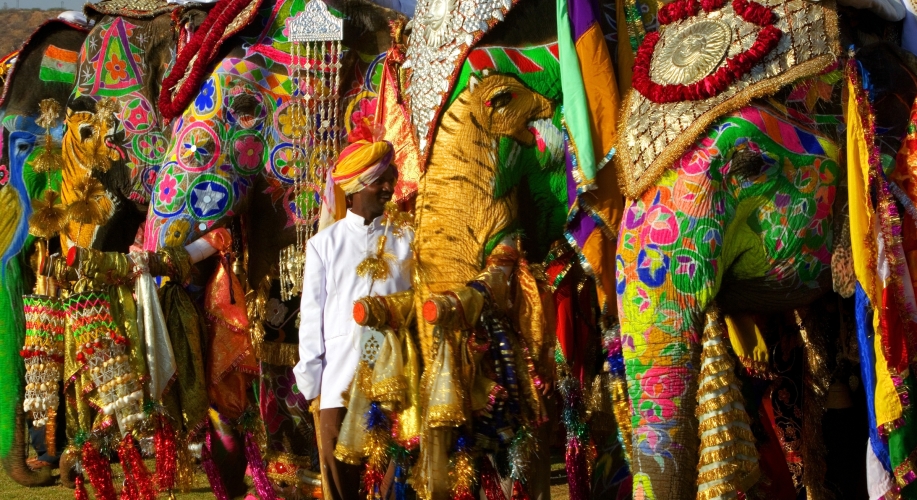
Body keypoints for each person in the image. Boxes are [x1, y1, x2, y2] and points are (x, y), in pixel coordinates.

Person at [293, 134, 412, 500]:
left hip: (398, 384)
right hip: (339, 384)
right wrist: (313, 384)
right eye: (381, 180)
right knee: (342, 485)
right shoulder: (323, 244)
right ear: (358, 187)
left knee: (398, 483)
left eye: (391, 178)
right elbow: (312, 317)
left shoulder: (407, 238)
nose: (390, 187)